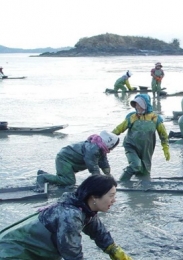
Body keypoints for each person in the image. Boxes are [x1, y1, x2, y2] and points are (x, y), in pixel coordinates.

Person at [0, 174, 132, 260]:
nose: (114, 200)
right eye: (111, 196)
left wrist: (120, 255)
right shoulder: (70, 215)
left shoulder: (84, 208)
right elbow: (72, 256)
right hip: (13, 253)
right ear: (94, 197)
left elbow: (101, 235)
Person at [112, 94, 170, 180]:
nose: (138, 107)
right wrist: (107, 140)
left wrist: (165, 148)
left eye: (140, 105)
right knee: (136, 165)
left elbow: (163, 135)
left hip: (146, 149)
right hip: (131, 146)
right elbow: (118, 129)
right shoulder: (132, 117)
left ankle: (141, 189)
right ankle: (121, 183)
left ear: (146, 105)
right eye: (136, 105)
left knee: (144, 171)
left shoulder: (155, 118)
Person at [36, 131, 120, 190]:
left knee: (64, 179)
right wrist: (99, 183)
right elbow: (93, 167)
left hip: (71, 160)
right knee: (69, 181)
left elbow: (103, 162)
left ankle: (45, 174)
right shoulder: (93, 149)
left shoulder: (100, 147)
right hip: (64, 159)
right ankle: (43, 177)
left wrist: (108, 175)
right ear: (109, 144)